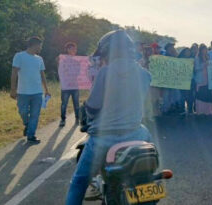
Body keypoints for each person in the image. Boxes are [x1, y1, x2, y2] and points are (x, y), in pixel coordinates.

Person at [65, 29, 152, 205]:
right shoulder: (145, 74)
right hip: (135, 133)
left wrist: (87, 115)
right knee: (147, 170)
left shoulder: (105, 72)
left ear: (107, 52)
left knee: (79, 181)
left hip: (103, 138)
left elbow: (93, 107)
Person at [10, 36, 50, 144]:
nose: (40, 48)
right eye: (40, 46)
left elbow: (42, 75)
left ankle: (31, 135)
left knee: (35, 114)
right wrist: (13, 89)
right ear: (35, 45)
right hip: (22, 92)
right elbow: (14, 73)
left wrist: (46, 89)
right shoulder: (19, 56)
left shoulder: (39, 59)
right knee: (22, 111)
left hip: (37, 92)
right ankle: (27, 125)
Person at [59, 42, 80, 127]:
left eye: (75, 49)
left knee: (76, 103)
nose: (74, 51)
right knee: (64, 103)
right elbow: (61, 72)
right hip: (66, 86)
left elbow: (79, 72)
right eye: (72, 49)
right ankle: (63, 119)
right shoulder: (63, 61)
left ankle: (77, 119)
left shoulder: (78, 61)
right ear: (67, 50)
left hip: (75, 85)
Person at [194, 44, 212, 115]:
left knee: (208, 95)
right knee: (201, 95)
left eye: (206, 49)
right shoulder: (197, 58)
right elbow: (196, 68)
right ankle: (200, 111)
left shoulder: (208, 57)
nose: (205, 51)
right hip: (200, 79)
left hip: (208, 79)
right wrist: (204, 64)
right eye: (203, 49)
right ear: (201, 50)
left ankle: (209, 111)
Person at [178, 48, 193, 114]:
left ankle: (190, 109)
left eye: (189, 52)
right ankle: (182, 109)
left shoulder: (192, 59)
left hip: (190, 80)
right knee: (182, 96)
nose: (188, 53)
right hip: (182, 81)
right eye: (186, 52)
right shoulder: (179, 60)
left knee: (190, 96)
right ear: (183, 52)